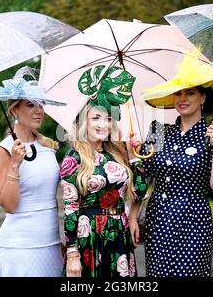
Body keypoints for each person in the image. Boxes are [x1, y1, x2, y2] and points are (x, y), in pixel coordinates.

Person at [129, 52, 213, 277]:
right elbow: (143, 179)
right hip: (158, 220)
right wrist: (133, 216)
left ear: (203, 98)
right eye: (178, 93)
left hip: (193, 222)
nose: (183, 98)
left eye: (190, 92)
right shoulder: (158, 131)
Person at [61, 66, 148, 277]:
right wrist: (72, 254)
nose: (103, 124)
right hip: (89, 235)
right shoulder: (74, 159)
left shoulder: (117, 154)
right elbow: (71, 208)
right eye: (96, 118)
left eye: (108, 118)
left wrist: (134, 156)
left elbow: (140, 192)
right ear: (84, 121)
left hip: (118, 232)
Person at [0, 67, 67, 277]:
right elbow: (9, 205)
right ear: (14, 110)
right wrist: (15, 164)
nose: (38, 110)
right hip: (21, 246)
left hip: (51, 242)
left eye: (40, 105)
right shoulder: (3, 151)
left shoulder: (48, 147)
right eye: (30, 105)